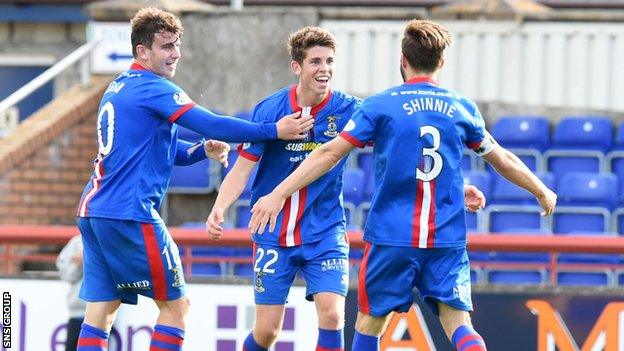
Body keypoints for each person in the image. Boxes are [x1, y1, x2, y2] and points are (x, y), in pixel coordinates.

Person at [248, 19, 557, 351]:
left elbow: (329, 153)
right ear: (441, 62)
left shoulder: (381, 105)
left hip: (392, 237)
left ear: (403, 61)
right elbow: (501, 159)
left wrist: (278, 192)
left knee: (370, 324)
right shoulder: (460, 107)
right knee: (459, 324)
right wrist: (540, 189)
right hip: (446, 239)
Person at [206, 26, 488, 351]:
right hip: (273, 233)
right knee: (267, 331)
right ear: (297, 67)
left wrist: (454, 186)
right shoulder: (271, 111)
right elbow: (243, 167)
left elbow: (406, 149)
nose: (324, 69)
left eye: (329, 61)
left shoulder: (350, 110)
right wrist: (220, 206)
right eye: (315, 62)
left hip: (325, 232)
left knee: (332, 315)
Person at [74, 7, 314, 351]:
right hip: (130, 214)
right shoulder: (154, 88)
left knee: (101, 310)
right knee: (176, 308)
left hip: (93, 212)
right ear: (142, 52)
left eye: (177, 46)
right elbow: (211, 122)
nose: (176, 54)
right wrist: (273, 130)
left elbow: (163, 152)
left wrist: (202, 151)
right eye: (166, 46)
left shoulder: (118, 87)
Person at [56, 235, 86, 351]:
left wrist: (88, 258)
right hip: (77, 313)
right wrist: (78, 264)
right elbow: (67, 275)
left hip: (102, 313)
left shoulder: (107, 239)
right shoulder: (76, 242)